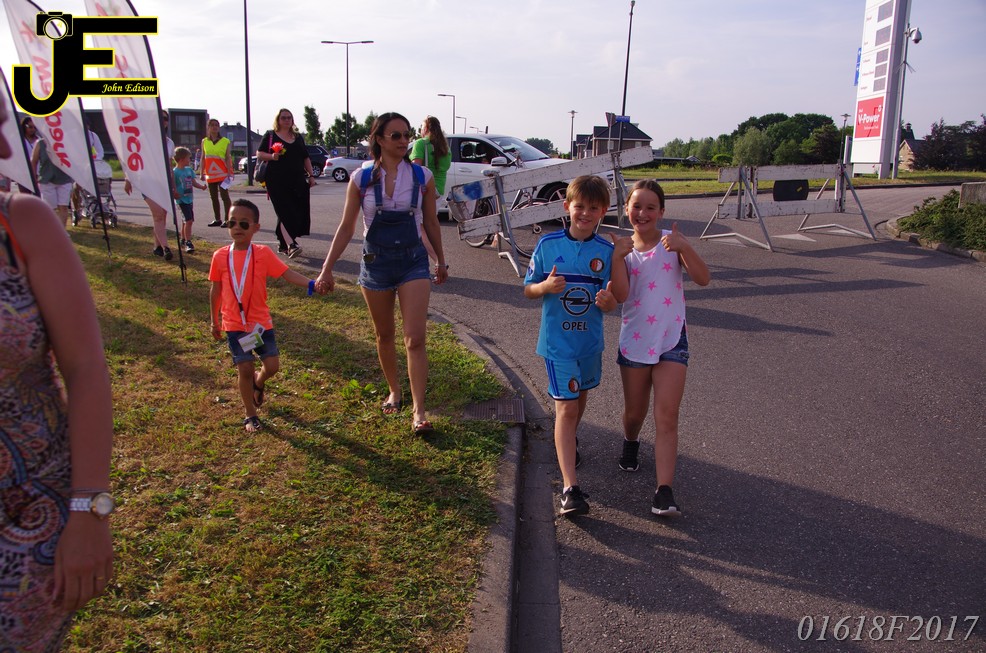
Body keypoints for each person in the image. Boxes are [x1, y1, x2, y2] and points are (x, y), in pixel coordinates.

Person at [0, 96, 114, 651]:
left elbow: (86, 368)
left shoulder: (21, 223)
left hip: (25, 516)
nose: (6, 149)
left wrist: (89, 509)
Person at [315, 112, 449, 434]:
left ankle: (419, 411)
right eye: (396, 136)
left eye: (407, 135)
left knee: (415, 338)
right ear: (379, 139)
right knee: (384, 335)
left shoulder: (423, 177)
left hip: (413, 261)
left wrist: (441, 261)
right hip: (375, 263)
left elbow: (431, 223)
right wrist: (326, 268)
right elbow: (346, 227)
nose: (404, 141)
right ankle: (394, 391)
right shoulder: (361, 179)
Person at [608, 180, 710, 517]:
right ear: (626, 209)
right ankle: (631, 441)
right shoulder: (623, 248)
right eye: (636, 206)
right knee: (634, 413)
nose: (643, 213)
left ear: (661, 212)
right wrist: (616, 258)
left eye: (651, 207)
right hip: (635, 341)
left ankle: (664, 491)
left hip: (671, 339)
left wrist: (684, 248)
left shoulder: (672, 242)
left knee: (667, 415)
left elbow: (703, 278)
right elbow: (621, 296)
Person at [523, 175, 618, 517]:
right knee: (566, 408)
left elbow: (614, 299)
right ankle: (570, 490)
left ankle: (569, 440)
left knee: (579, 400)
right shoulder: (548, 245)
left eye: (594, 208)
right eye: (580, 206)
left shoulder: (606, 251)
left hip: (589, 344)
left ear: (603, 211)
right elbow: (528, 289)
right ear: (567, 207)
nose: (585, 213)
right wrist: (545, 287)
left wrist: (609, 302)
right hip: (558, 346)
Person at [209, 199, 321, 432]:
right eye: (231, 222)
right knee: (244, 369)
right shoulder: (220, 256)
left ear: (256, 227)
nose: (237, 227)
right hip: (234, 324)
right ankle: (250, 414)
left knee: (272, 366)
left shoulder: (262, 253)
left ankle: (259, 382)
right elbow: (215, 290)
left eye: (243, 223)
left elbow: (287, 273)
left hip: (259, 325)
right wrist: (214, 321)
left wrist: (311, 283)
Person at [257, 109, 315, 258]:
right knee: (284, 211)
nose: (287, 120)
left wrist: (311, 176)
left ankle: (283, 244)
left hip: (297, 181)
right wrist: (272, 156)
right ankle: (291, 245)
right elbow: (259, 153)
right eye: (283, 118)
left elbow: (305, 157)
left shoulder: (297, 137)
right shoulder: (271, 135)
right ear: (278, 120)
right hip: (276, 181)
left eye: (289, 117)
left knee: (296, 211)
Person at [124, 110, 175, 260]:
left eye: (165, 118)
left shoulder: (169, 143)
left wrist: (173, 185)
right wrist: (128, 179)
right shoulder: (142, 139)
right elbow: (132, 160)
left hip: (163, 182)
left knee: (162, 216)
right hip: (147, 182)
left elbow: (169, 166)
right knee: (158, 214)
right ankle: (166, 248)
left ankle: (157, 246)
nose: (163, 121)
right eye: (160, 118)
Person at [410, 115, 451, 262]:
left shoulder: (421, 144)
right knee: (430, 225)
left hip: (425, 189)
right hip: (438, 190)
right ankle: (436, 259)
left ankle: (438, 260)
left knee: (419, 226)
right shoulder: (445, 147)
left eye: (422, 127)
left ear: (426, 128)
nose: (420, 130)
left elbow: (416, 168)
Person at [31, 134, 74, 228]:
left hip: (64, 179)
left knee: (63, 207)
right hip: (47, 180)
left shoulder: (65, 142)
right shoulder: (40, 143)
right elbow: (34, 161)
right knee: (50, 208)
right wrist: (33, 177)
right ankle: (51, 230)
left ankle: (62, 231)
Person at [173, 146, 208, 253]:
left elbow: (193, 182)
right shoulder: (175, 172)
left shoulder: (189, 170)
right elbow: (173, 185)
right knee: (189, 220)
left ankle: (183, 239)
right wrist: (174, 193)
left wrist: (201, 187)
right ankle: (188, 242)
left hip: (189, 199)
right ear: (181, 159)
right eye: (188, 158)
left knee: (185, 221)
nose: (190, 160)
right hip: (181, 200)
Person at [70, 122, 105, 226]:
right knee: (76, 188)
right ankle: (76, 210)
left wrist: (96, 160)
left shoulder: (93, 136)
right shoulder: (72, 136)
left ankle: (94, 211)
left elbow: (100, 151)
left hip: (91, 167)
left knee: (93, 190)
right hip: (77, 167)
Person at [201, 118, 233, 228]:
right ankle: (217, 219)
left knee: (225, 196)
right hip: (210, 174)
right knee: (213, 197)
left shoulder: (225, 141)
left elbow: (227, 157)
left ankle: (227, 219)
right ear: (208, 127)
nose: (214, 127)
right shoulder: (205, 141)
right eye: (212, 125)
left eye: (216, 125)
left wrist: (229, 172)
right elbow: (203, 157)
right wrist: (201, 172)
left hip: (223, 173)